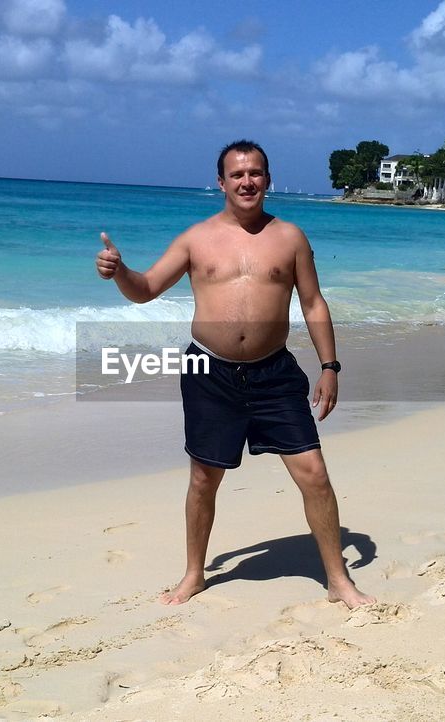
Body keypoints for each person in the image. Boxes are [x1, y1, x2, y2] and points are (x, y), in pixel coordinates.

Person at [95, 139, 375, 609]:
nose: (247, 181)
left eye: (256, 173)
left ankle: (338, 580)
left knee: (315, 475)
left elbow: (312, 303)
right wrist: (119, 270)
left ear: (268, 179)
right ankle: (193, 575)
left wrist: (330, 366)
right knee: (204, 479)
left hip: (275, 374)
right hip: (209, 373)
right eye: (237, 174)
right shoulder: (195, 239)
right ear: (221, 182)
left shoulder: (290, 238)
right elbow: (144, 290)